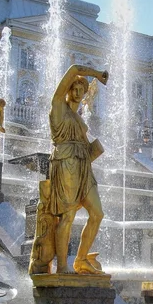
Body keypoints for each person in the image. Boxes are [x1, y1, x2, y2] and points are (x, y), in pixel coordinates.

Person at [49, 63, 108, 274]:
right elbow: (73, 68)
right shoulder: (58, 105)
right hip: (66, 164)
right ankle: (62, 266)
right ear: (66, 90)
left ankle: (81, 259)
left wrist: (93, 150)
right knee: (68, 217)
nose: (77, 92)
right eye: (74, 88)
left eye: (81, 90)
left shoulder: (80, 119)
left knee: (97, 213)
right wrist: (96, 74)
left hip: (84, 166)